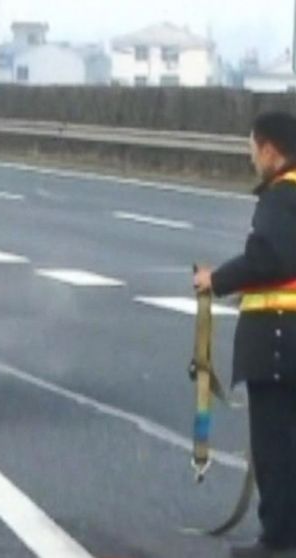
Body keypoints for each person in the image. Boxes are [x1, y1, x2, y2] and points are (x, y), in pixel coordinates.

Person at [194, 111, 296, 558]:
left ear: (270, 150)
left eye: (253, 149)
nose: (252, 158)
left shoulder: (281, 196)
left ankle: (276, 541)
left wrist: (215, 281)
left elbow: (269, 257)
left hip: (279, 338)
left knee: (275, 446)